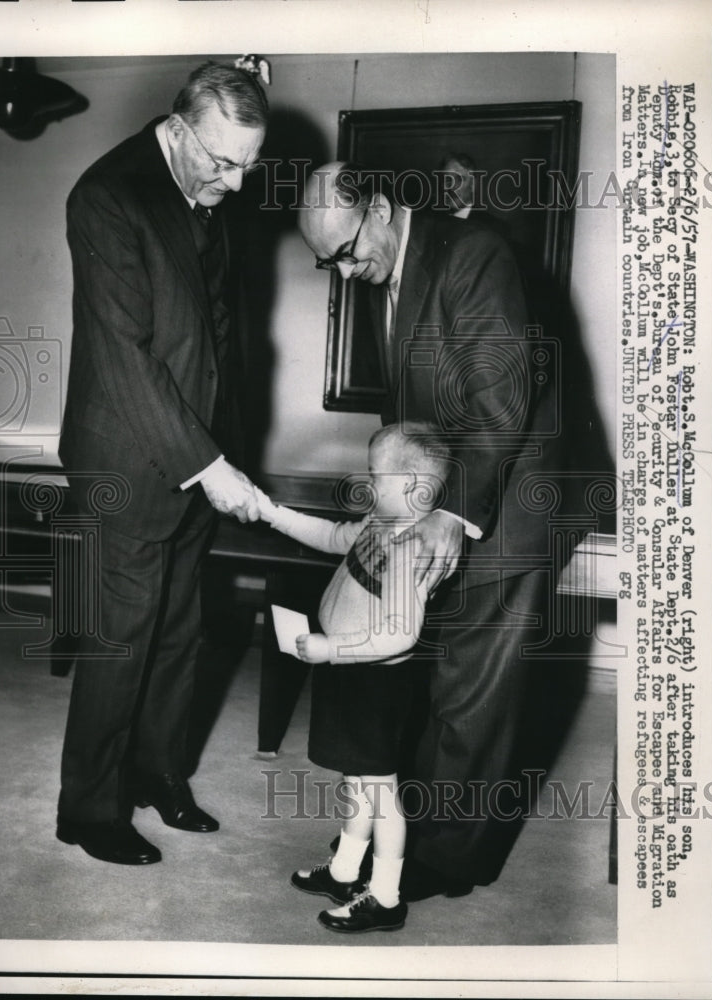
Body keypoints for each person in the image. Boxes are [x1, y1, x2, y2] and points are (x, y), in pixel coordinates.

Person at [297, 161, 607, 900]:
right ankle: (397, 837)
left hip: (517, 500)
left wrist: (448, 512)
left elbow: (502, 398)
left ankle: (446, 859)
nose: (343, 270)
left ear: (378, 208)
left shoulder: (472, 254)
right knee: (433, 674)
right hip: (453, 491)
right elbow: (417, 415)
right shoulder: (393, 268)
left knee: (474, 689)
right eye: (327, 261)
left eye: (346, 250)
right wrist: (399, 504)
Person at [56, 59, 269, 865]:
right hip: (128, 455)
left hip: (197, 450)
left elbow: (214, 337)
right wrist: (208, 466)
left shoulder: (205, 187)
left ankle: (158, 774)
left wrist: (225, 450)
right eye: (223, 162)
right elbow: (126, 356)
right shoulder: (108, 196)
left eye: (249, 164)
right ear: (179, 131)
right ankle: (89, 808)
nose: (239, 184)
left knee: (181, 629)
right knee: (123, 635)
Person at [255, 422, 452, 933]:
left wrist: (332, 648)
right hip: (346, 671)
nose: (367, 483)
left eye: (376, 474)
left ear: (412, 483)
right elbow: (331, 536)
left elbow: (401, 635)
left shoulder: (412, 548)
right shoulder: (381, 520)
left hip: (374, 683)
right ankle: (345, 870)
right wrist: (272, 513)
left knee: (380, 791)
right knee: (356, 779)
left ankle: (385, 897)